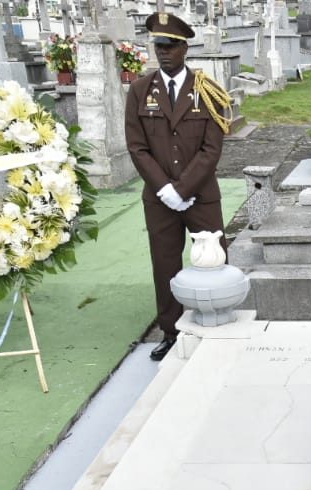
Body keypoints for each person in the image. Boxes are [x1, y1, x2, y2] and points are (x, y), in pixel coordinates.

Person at [124, 12, 232, 361]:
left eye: (170, 46)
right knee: (165, 264)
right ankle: (172, 332)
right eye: (158, 46)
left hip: (200, 195)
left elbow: (211, 148)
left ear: (185, 48)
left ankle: (217, 322)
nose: (163, 53)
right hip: (159, 199)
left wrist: (183, 189)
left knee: (213, 259)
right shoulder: (140, 91)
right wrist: (164, 189)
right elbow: (137, 146)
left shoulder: (208, 91)